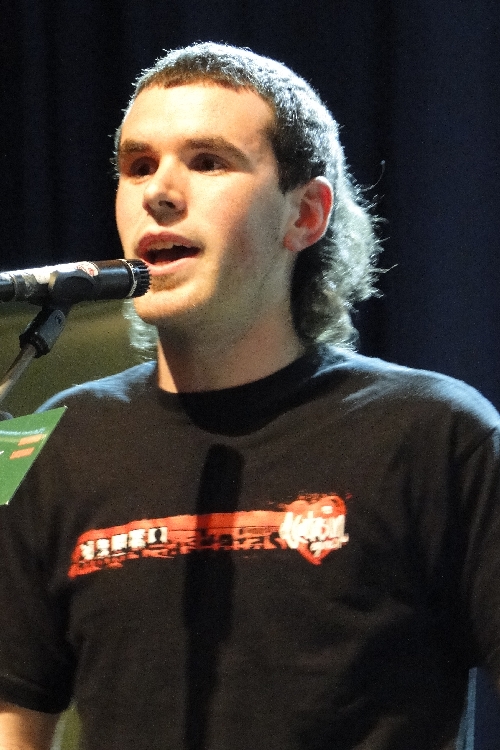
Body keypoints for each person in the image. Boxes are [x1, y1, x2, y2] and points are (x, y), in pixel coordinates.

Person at [0, 42, 499, 750]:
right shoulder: (50, 437)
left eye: (207, 162)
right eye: (138, 165)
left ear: (306, 215)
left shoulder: (439, 434)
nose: (158, 192)